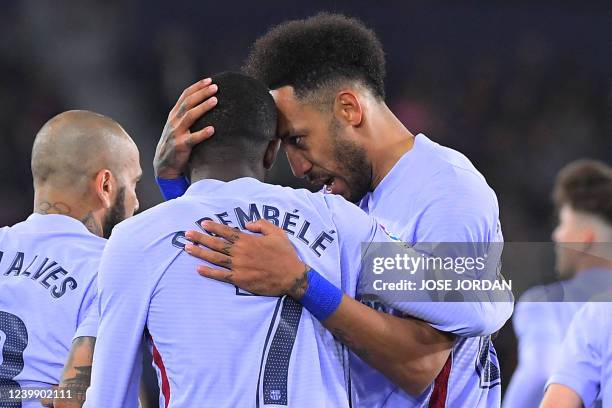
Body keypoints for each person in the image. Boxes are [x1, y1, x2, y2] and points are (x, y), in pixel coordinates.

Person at [155, 13, 514, 408]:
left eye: (298, 139)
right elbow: (236, 264)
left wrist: (304, 284)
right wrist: (175, 185)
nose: (297, 167)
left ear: (348, 109)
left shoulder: (446, 192)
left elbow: (421, 367)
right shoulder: (339, 200)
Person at [84, 72, 462, 408]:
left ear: (184, 150)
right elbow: (459, 299)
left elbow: (108, 394)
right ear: (271, 151)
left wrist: (169, 181)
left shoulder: (136, 241)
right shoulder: (334, 218)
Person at [0, 110, 141, 408]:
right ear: (105, 186)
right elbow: (73, 399)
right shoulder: (112, 266)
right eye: (134, 184)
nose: (136, 202)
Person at [504, 159, 612, 408]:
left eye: (563, 224)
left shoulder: (546, 304)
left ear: (586, 240)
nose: (556, 235)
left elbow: (539, 373)